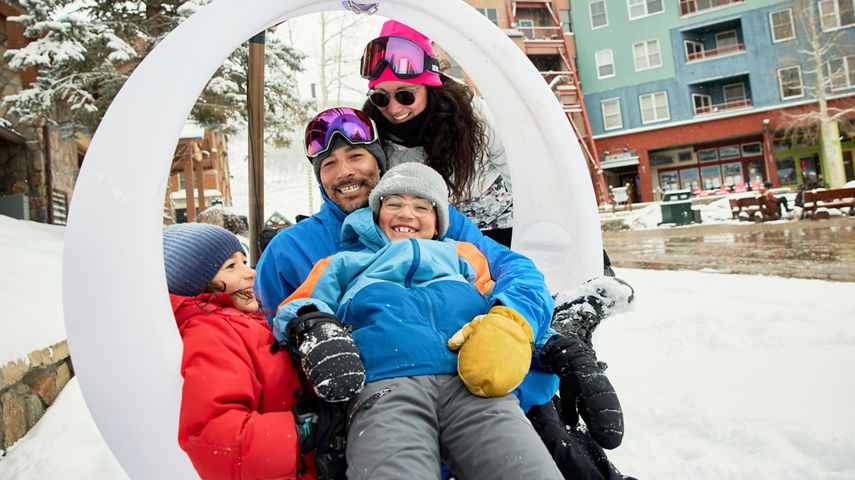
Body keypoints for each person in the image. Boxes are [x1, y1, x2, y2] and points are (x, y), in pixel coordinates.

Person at [256, 108, 631, 479]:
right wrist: (315, 349)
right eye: (329, 165)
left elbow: (513, 273)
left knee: (545, 436)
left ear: (379, 161)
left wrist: (532, 334)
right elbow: (272, 326)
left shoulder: (442, 230)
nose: (344, 172)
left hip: (479, 383)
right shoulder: (298, 252)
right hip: (378, 396)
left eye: (356, 156)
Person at [273, 163, 563, 479]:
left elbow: (497, 309)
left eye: (421, 206)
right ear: (377, 214)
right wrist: (316, 327)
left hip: (473, 386)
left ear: (438, 221)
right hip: (385, 388)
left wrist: (554, 344)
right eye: (393, 203)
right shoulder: (343, 263)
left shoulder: (463, 256)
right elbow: (299, 305)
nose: (406, 214)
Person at [164, 223, 346, 480]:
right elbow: (211, 434)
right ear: (193, 283)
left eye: (245, 262)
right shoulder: (209, 333)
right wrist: (304, 430)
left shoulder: (241, 322)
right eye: (231, 266)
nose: (251, 273)